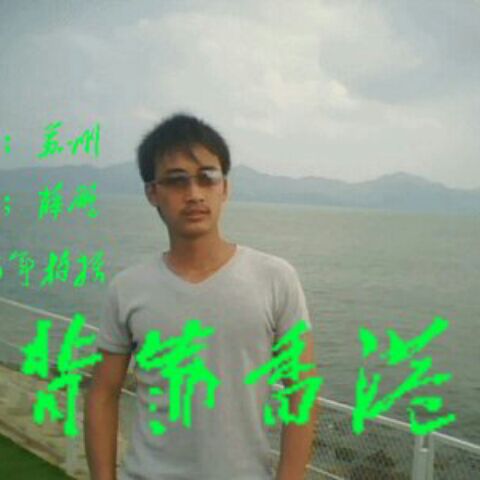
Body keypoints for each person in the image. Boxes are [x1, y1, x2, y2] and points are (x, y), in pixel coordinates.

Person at [84, 112, 320, 480]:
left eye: (207, 177)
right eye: (176, 180)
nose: (194, 194)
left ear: (224, 188)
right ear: (152, 193)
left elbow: (301, 390)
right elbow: (102, 394)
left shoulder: (276, 278)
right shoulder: (127, 289)